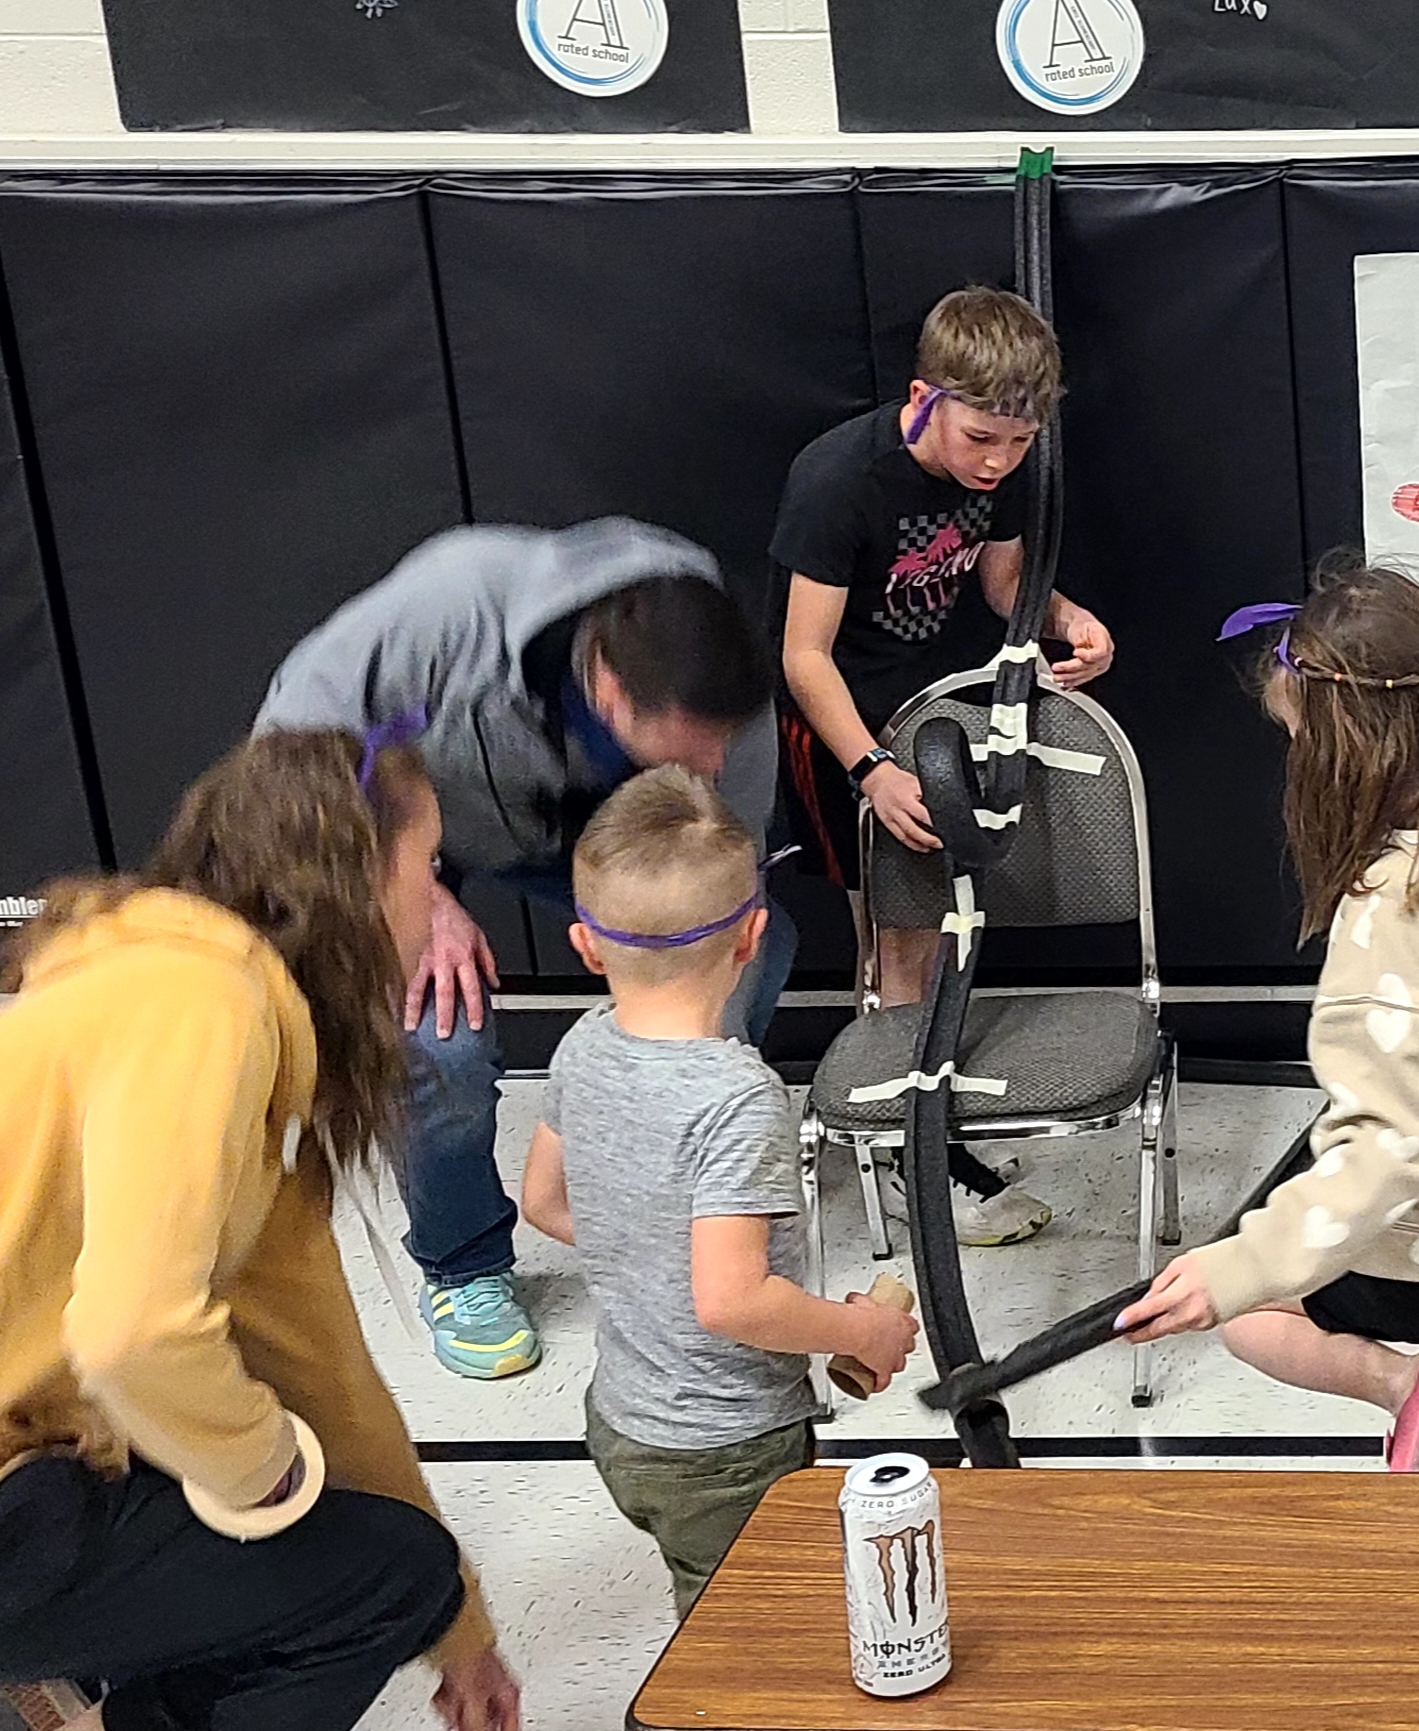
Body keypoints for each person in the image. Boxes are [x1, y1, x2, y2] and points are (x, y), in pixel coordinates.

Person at [0, 731, 521, 1731]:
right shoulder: (202, 1003)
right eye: (427, 866)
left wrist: (463, 1631)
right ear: (356, 883)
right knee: (360, 1566)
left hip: (34, 1448)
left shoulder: (179, 998)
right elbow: (133, 1330)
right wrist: (266, 1471)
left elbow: (323, 1369)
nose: (435, 901)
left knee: (387, 1562)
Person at [258, 519, 783, 1380]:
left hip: (606, 836)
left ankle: (681, 1203)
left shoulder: (716, 672)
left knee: (744, 960)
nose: (717, 759)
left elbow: (731, 868)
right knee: (440, 1039)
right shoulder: (448, 608)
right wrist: (418, 891)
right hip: (412, 833)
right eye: (696, 745)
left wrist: (684, 1043)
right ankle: (462, 1265)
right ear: (610, 690)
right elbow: (287, 755)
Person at [1118, 567, 1419, 1474]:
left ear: (1346, 752)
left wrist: (1235, 1270)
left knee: (1254, 1315)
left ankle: (1399, 1387)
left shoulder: (1391, 906)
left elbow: (1391, 1146)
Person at [517, 769, 918, 1616]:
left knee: (706, 1599)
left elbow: (544, 1202)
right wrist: (864, 1329)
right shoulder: (737, 1098)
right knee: (743, 1636)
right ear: (752, 940)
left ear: (586, 947)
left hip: (622, 1420)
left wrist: (648, 1250)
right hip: (725, 1446)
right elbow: (733, 1302)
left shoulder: (582, 1046)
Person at [772, 288, 1115, 1248]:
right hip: (847, 726)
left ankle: (914, 1132)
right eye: (979, 441)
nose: (997, 463)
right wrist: (871, 768)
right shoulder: (838, 479)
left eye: (1018, 443)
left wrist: (1069, 620)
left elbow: (1007, 585)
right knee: (896, 944)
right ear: (923, 397)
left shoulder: (1004, 465)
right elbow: (803, 656)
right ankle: (913, 1163)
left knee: (930, 937)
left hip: (938, 715)